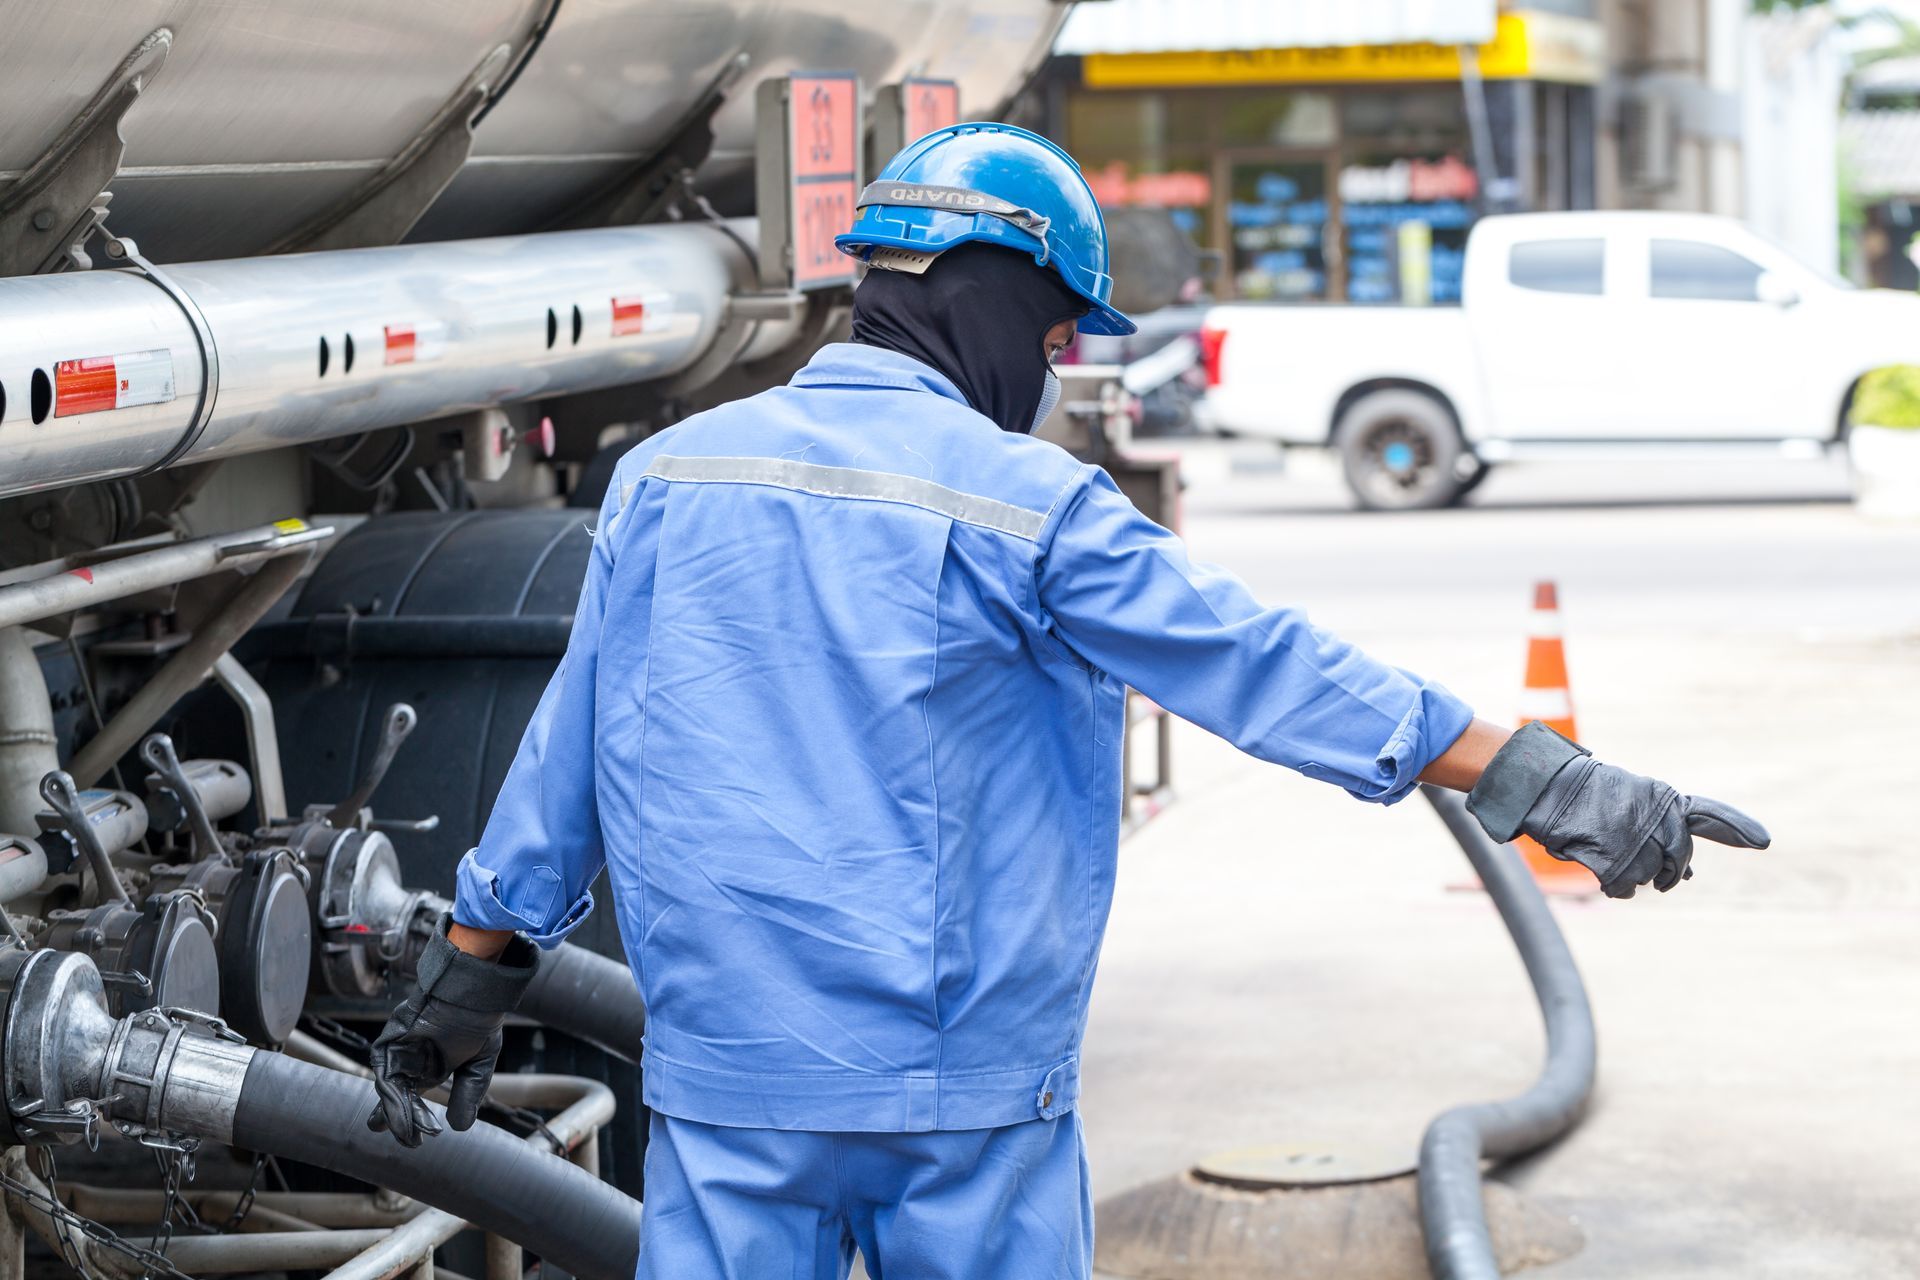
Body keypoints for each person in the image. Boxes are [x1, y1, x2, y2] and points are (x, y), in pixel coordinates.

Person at [366, 124, 1769, 1278]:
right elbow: (1265, 666)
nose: (1043, 377)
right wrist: (1546, 779)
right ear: (985, 292)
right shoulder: (1030, 508)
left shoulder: (665, 481)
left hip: (734, 1097)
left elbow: (563, 767)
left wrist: (464, 990)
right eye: (1047, 340)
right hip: (964, 1109)